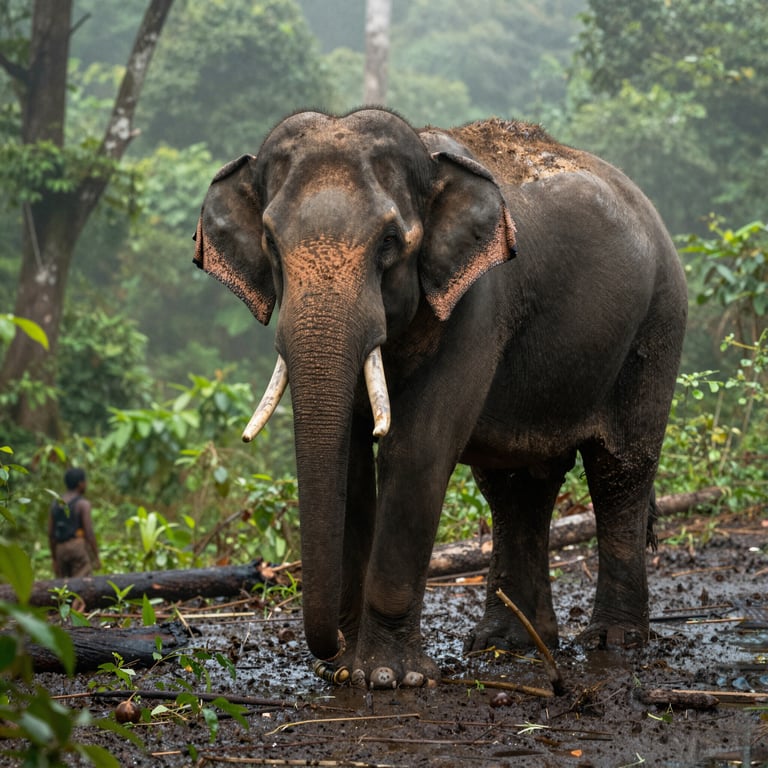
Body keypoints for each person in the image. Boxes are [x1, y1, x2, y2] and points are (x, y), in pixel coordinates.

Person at [48, 467, 101, 578]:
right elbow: (89, 532)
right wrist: (96, 555)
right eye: (85, 481)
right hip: (77, 547)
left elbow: (51, 533)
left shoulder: (55, 503)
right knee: (82, 585)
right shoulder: (82, 504)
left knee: (64, 587)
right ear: (80, 484)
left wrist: (54, 558)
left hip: (60, 549)